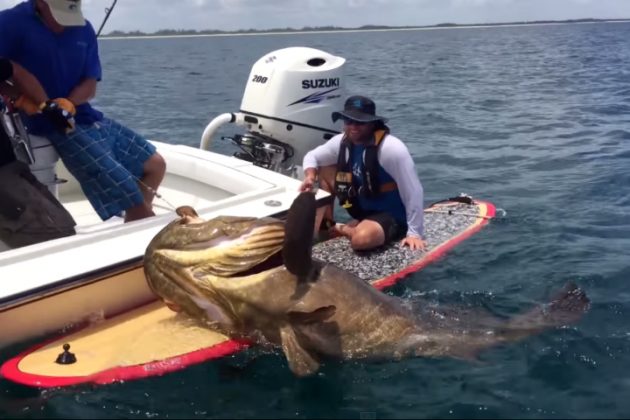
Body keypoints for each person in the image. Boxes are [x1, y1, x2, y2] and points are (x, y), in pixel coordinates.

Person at [0, 0, 166, 223]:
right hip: (41, 125)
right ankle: (139, 218)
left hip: (80, 116)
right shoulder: (10, 22)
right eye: (58, 16)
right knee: (131, 197)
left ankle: (135, 221)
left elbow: (90, 83)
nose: (64, 25)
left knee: (156, 164)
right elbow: (6, 72)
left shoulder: (84, 28)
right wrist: (21, 99)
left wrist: (67, 104)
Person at [299, 95, 426, 251]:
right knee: (324, 168)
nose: (353, 127)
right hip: (358, 208)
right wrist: (310, 177)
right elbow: (312, 156)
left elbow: (413, 191)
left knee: (360, 240)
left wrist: (414, 233)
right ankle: (328, 226)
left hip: (390, 214)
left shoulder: (391, 149)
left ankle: (341, 228)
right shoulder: (341, 142)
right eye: (348, 121)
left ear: (372, 123)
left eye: (360, 122)